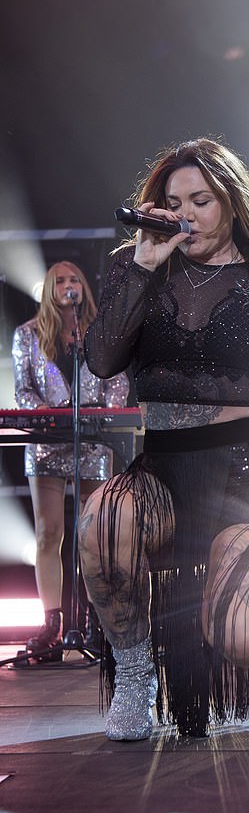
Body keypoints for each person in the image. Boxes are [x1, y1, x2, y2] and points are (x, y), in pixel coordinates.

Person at [78, 137, 249, 740]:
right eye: (174, 201)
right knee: (101, 519)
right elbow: (101, 362)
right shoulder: (137, 267)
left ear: (230, 203)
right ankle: (133, 672)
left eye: (201, 200)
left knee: (243, 635)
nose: (186, 214)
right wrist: (144, 268)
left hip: (246, 471)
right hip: (162, 468)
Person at [12, 261, 130, 660]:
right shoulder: (27, 335)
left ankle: (96, 620)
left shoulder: (99, 333)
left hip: (92, 440)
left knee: (94, 534)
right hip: (48, 441)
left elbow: (117, 379)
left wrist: (107, 415)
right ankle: (51, 624)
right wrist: (44, 410)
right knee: (49, 533)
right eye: (59, 281)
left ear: (83, 288)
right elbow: (23, 389)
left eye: (73, 280)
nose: (67, 286)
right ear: (48, 288)